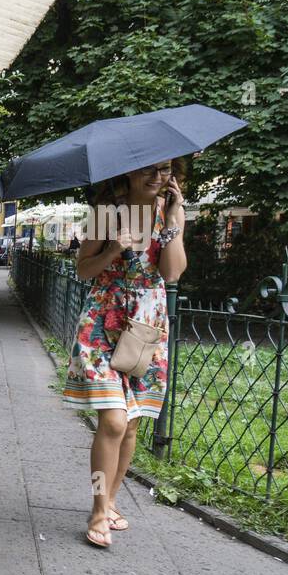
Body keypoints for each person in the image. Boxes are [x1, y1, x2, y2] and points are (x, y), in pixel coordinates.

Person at [63, 159, 187, 548]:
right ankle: (99, 510)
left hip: (146, 326)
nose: (157, 177)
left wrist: (174, 221)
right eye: (148, 169)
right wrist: (116, 246)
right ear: (129, 172)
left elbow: (172, 273)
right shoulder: (106, 213)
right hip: (103, 321)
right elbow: (84, 270)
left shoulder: (168, 214)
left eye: (165, 169)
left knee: (132, 423)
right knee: (114, 421)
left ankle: (111, 500)